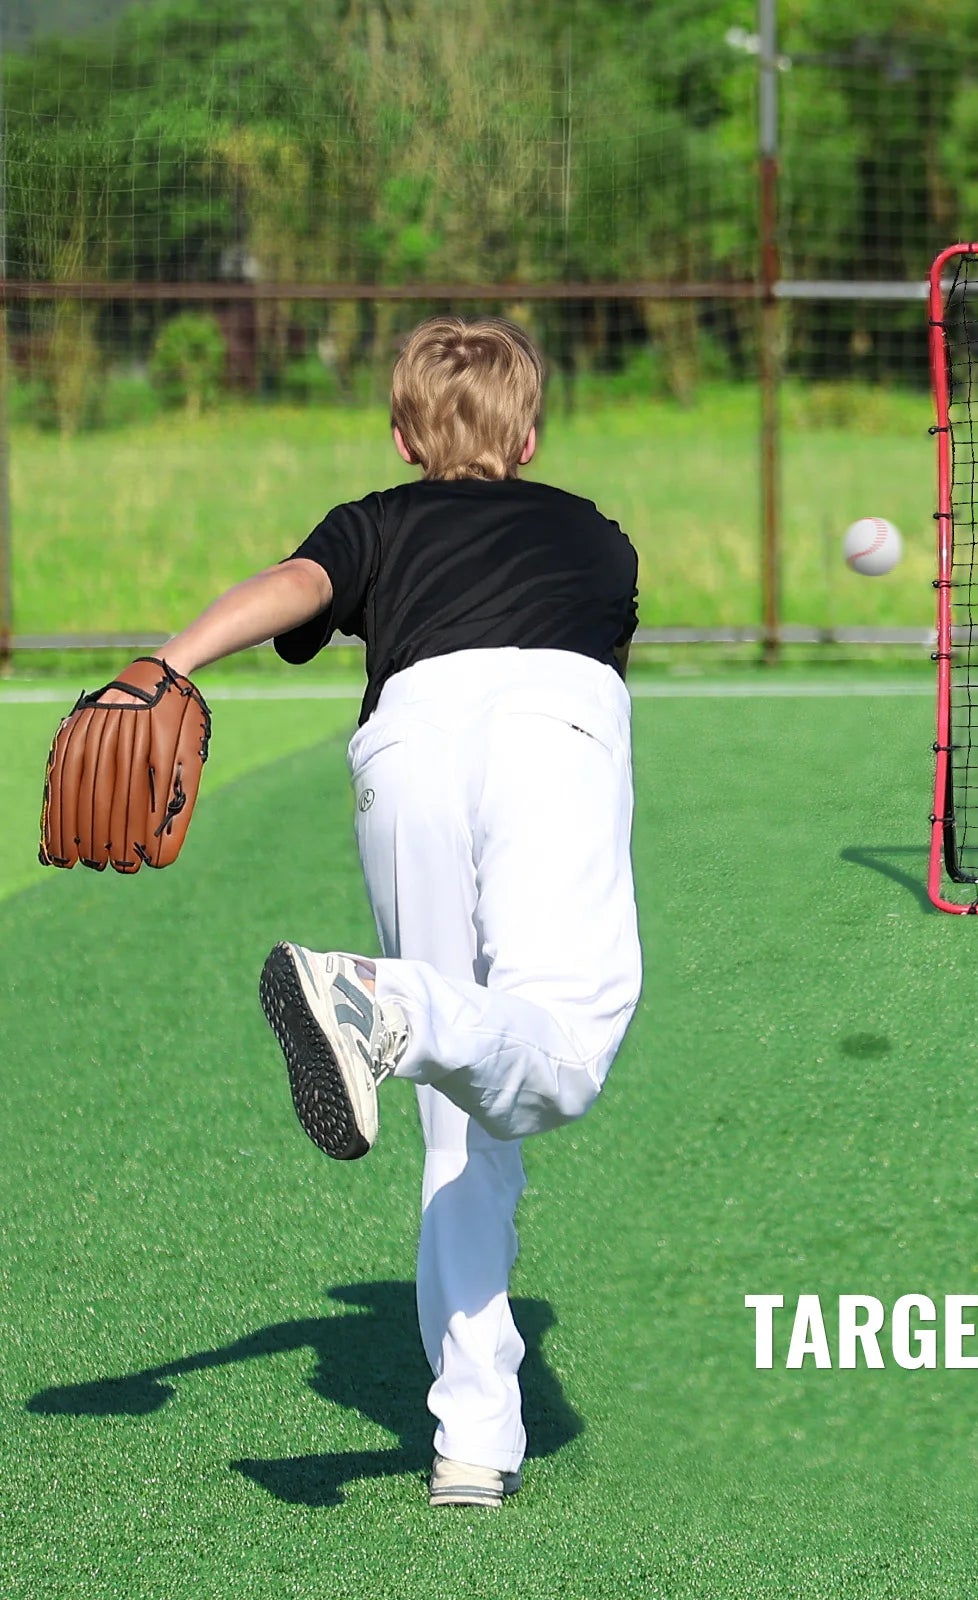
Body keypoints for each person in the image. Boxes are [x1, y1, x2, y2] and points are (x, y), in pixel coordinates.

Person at [148, 314, 642, 1509]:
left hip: (405, 737)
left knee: (456, 1108)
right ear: (531, 432)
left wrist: (169, 663)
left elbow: (297, 587)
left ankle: (474, 1440)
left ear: (402, 434)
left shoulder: (374, 519)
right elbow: (565, 664)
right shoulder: (597, 536)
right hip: (553, 723)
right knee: (558, 1054)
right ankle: (386, 1003)